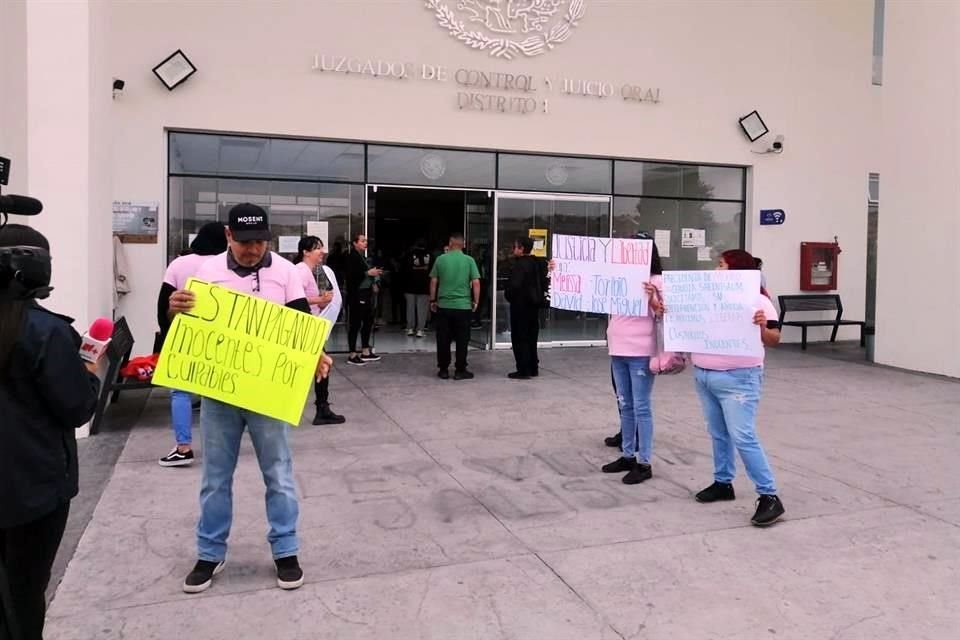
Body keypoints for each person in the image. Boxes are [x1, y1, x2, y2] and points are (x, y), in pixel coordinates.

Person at [167, 203, 333, 593]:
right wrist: (175, 311)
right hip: (219, 394)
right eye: (244, 242)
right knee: (215, 478)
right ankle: (210, 552)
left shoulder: (287, 273)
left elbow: (298, 326)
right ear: (228, 236)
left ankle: (286, 550)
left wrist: (314, 355)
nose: (252, 249)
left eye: (260, 241)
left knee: (279, 474)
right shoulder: (206, 272)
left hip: (268, 394)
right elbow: (185, 328)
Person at [0, 224, 101, 640]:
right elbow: (76, 406)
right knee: (23, 593)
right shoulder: (46, 332)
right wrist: (89, 374)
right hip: (33, 489)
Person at [655, 249, 785, 526]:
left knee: (743, 436)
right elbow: (684, 320)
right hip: (705, 375)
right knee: (718, 433)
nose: (716, 270)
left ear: (736, 270)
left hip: (739, 378)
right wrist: (666, 309)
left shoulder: (759, 300)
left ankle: (769, 495)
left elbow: (774, 338)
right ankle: (722, 482)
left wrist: (762, 327)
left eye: (721, 265)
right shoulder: (707, 297)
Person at [155, 222, 227, 466]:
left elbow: (163, 305)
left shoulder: (179, 264)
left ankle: (183, 447)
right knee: (220, 392)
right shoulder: (224, 265)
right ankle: (223, 444)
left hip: (184, 336)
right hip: (218, 339)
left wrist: (167, 336)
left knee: (180, 391)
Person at [294, 235, 345, 425]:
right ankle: (321, 409)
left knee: (321, 368)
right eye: (317, 248)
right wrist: (320, 300)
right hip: (305, 328)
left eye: (322, 247)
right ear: (305, 252)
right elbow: (293, 300)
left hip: (311, 326)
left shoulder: (312, 271)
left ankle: (322, 408)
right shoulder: (300, 271)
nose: (322, 252)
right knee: (320, 368)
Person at [429, 233, 480, 380]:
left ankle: (443, 369)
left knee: (443, 339)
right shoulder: (469, 260)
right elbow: (476, 283)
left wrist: (433, 300)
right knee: (462, 339)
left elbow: (433, 281)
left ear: (450, 243)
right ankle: (460, 370)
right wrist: (475, 301)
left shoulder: (440, 259)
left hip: (444, 305)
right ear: (463, 244)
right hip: (463, 306)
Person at [504, 236, 544, 379]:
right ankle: (533, 367)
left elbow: (514, 286)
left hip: (521, 307)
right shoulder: (537, 263)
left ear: (521, 248)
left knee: (520, 338)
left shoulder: (520, 265)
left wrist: (508, 294)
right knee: (531, 338)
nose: (513, 249)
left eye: (515, 247)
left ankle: (523, 369)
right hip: (533, 307)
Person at [345, 233, 382, 366]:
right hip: (357, 295)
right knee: (355, 323)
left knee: (368, 321)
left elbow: (367, 274)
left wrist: (374, 280)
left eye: (366, 241)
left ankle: (365, 351)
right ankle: (352, 354)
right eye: (362, 241)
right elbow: (351, 276)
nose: (365, 243)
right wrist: (368, 273)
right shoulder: (351, 257)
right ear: (355, 243)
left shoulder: (364, 258)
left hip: (367, 293)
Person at [403, 238, 431, 338]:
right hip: (424, 286)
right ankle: (420, 330)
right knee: (422, 309)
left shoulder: (409, 254)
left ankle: (410, 328)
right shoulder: (430, 255)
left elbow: (404, 270)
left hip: (410, 285)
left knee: (410, 308)